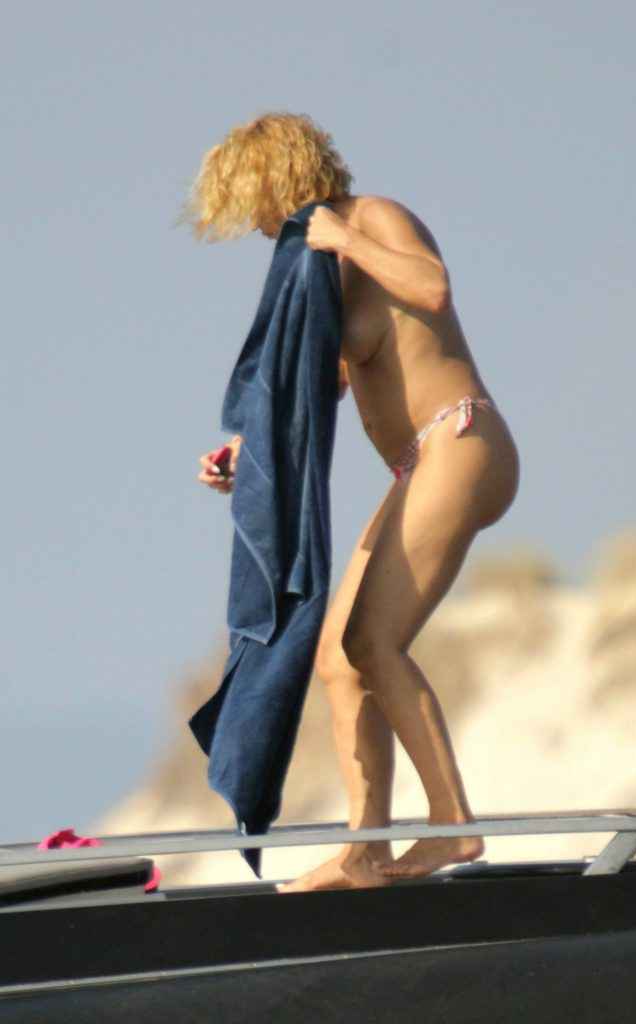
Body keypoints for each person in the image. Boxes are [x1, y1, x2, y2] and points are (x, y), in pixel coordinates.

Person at [185, 111, 520, 893]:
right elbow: (325, 385)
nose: (257, 225)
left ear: (278, 177)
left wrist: (346, 237)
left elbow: (431, 287)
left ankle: (452, 827)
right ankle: (365, 848)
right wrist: (244, 455)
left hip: (461, 438)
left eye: (253, 202)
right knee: (339, 658)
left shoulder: (373, 218)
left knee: (374, 640)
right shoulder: (323, 272)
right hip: (418, 464)